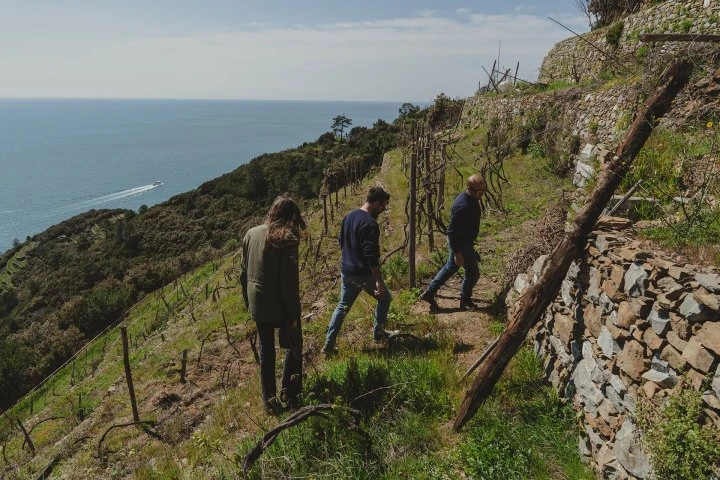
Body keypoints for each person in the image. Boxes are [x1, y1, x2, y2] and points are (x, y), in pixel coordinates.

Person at [240, 194, 305, 414]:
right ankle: (292, 392)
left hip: (258, 305)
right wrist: (294, 314)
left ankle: (269, 402)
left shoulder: (251, 233)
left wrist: (249, 304)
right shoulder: (287, 239)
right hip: (279, 304)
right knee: (293, 345)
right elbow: (289, 282)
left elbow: (243, 273)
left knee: (266, 351)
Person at [322, 186, 398, 355]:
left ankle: (328, 345)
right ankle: (378, 333)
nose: (383, 210)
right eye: (383, 206)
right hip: (362, 274)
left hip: (347, 271)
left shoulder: (349, 216)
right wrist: (378, 281)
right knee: (385, 298)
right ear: (376, 203)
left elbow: (341, 241)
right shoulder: (370, 224)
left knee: (342, 307)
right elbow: (371, 256)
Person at [419, 174, 486, 311]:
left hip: (466, 241)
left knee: (451, 267)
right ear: (469, 189)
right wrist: (458, 253)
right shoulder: (462, 206)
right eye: (479, 192)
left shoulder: (472, 197)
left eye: (483, 191)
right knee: (473, 273)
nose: (482, 195)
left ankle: (430, 292)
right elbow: (451, 232)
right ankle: (465, 299)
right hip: (461, 242)